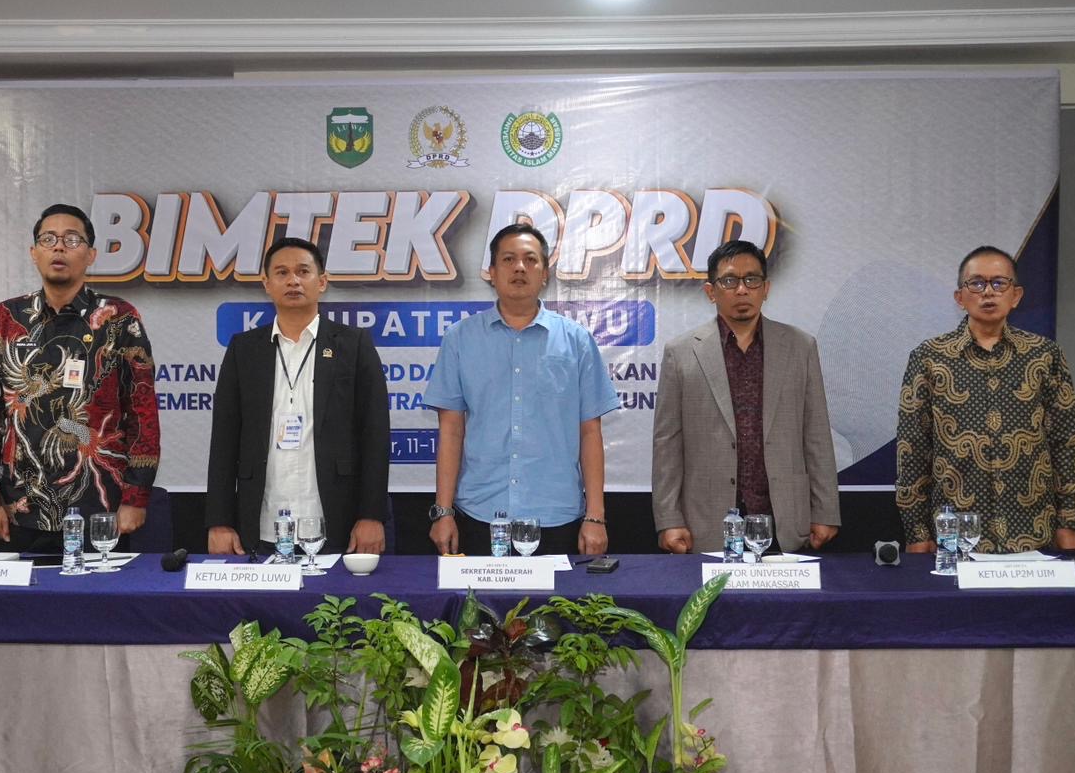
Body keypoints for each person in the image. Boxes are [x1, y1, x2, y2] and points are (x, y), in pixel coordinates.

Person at [0, 203, 160, 550]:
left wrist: (137, 496)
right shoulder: (5, 319)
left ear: (91, 255)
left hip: (103, 511)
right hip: (21, 509)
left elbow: (142, 413)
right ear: (34, 253)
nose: (59, 247)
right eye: (48, 239)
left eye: (72, 239)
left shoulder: (118, 319)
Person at [423, 223, 620, 556]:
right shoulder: (460, 339)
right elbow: (451, 430)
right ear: (491, 272)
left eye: (530, 260)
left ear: (545, 274)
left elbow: (590, 432)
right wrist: (443, 512)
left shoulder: (576, 341)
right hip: (480, 514)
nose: (519, 268)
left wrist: (596, 516)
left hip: (557, 515)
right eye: (508, 259)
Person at [652, 239, 840, 554]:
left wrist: (825, 511)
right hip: (707, 521)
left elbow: (817, 435)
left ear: (766, 288)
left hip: (784, 518)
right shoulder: (681, 353)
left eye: (751, 279)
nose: (742, 290)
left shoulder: (800, 347)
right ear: (710, 291)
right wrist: (668, 519)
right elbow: (667, 444)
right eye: (729, 281)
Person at [205, 237, 389, 556]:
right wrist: (219, 522)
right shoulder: (243, 350)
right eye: (282, 272)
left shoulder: (353, 345)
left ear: (322, 282)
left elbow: (375, 435)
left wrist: (371, 516)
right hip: (260, 522)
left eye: (303, 271)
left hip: (336, 520)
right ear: (267, 284)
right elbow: (224, 439)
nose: (293, 280)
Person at [896, 245, 1075, 553]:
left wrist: (1069, 522)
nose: (988, 292)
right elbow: (912, 448)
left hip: (1032, 530)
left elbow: (1064, 442)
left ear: (1016, 295)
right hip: (955, 535)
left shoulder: (1045, 355)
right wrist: (917, 532)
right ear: (960, 297)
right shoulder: (929, 358)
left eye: (999, 283)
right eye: (976, 283)